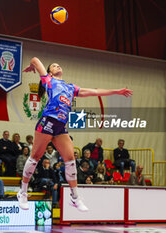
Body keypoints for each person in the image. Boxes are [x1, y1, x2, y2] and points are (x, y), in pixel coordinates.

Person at [17, 57, 132, 211]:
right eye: (54, 66)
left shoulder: (70, 87)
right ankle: (23, 192)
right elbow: (36, 59)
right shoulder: (49, 81)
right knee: (35, 157)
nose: (58, 66)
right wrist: (33, 66)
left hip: (60, 126)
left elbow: (95, 91)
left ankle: (74, 197)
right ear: (49, 72)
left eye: (59, 64)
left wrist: (116, 91)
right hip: (48, 121)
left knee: (70, 159)